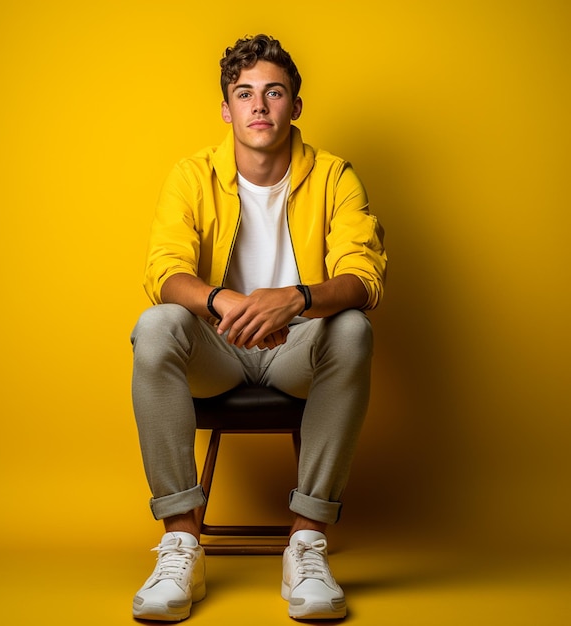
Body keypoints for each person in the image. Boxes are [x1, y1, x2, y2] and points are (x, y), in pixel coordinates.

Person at [130, 34, 387, 621]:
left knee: (352, 330)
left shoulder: (335, 177)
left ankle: (307, 543)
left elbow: (364, 278)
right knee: (157, 323)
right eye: (244, 94)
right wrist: (224, 302)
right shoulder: (192, 175)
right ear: (227, 109)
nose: (259, 107)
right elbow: (163, 270)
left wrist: (294, 300)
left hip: (300, 349)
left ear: (295, 104)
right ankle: (180, 544)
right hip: (215, 351)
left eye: (273, 92)